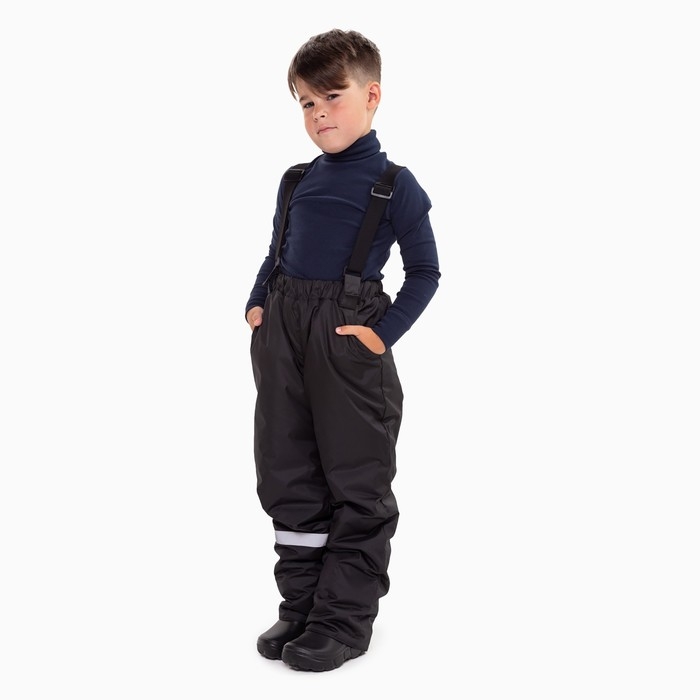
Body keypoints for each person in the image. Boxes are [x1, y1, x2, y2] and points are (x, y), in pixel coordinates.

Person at [245, 28, 440, 672]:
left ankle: (344, 619)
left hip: (347, 339)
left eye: (332, 96)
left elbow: (426, 272)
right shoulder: (296, 179)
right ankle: (302, 604)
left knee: (357, 477)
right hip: (283, 335)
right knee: (287, 469)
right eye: (306, 102)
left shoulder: (394, 185)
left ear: (372, 96)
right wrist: (258, 303)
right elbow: (276, 252)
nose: (319, 113)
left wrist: (383, 334)